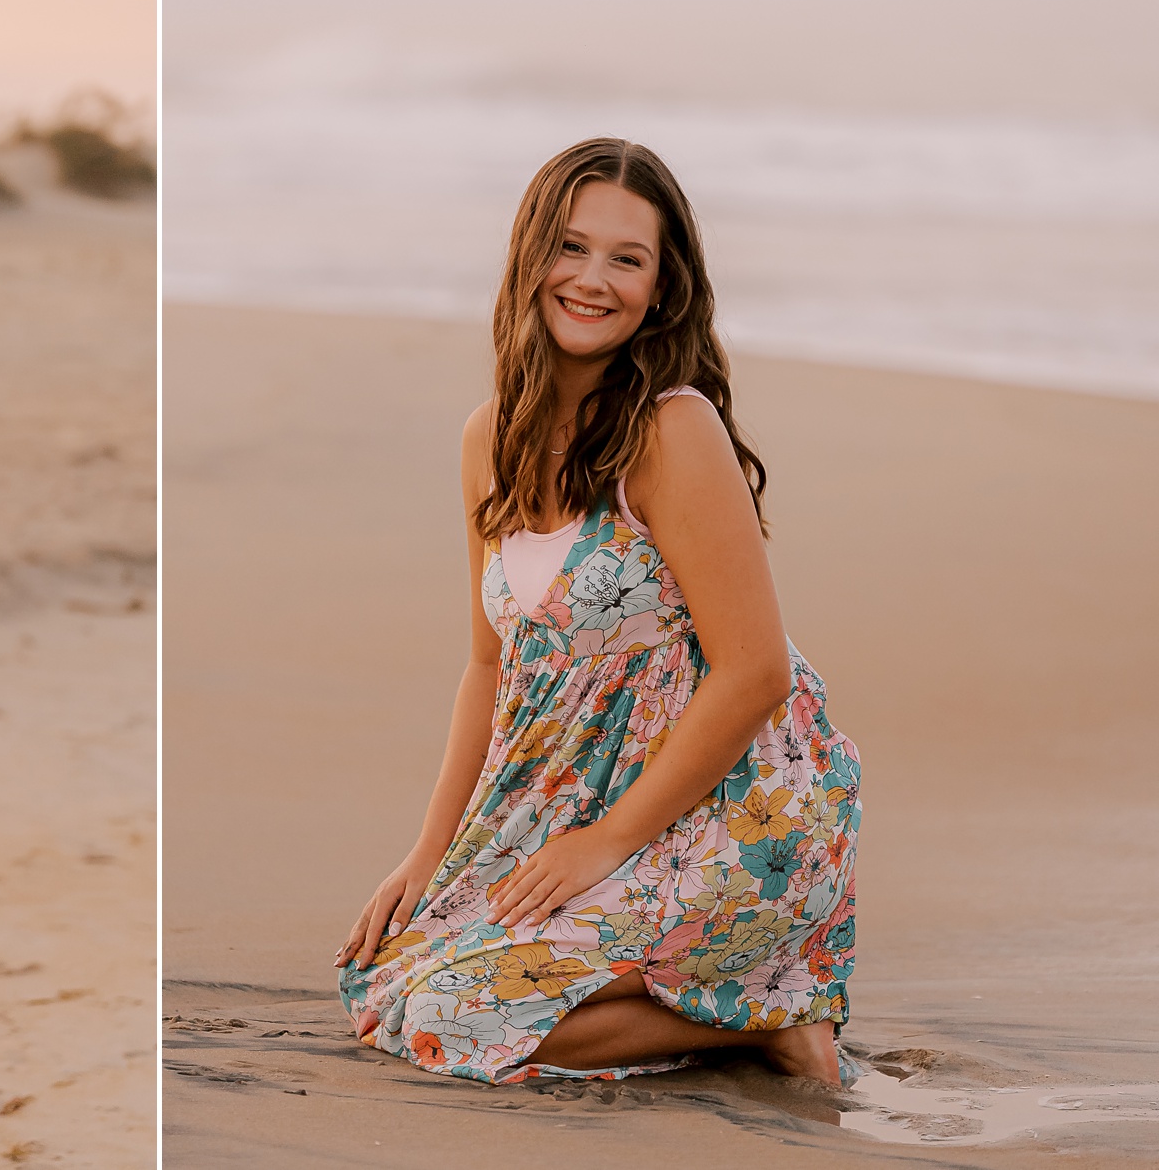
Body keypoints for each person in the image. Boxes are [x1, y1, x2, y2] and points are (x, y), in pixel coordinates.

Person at [334, 137, 860, 1086]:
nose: (592, 279)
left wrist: (604, 843)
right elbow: (490, 668)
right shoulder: (487, 435)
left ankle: (771, 1021)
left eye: (628, 258)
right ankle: (731, 1009)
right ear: (531, 255)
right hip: (565, 791)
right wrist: (430, 853)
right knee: (386, 982)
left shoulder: (673, 428)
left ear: (662, 288)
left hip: (732, 813)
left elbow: (756, 671)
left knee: (452, 1014)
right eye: (571, 248)